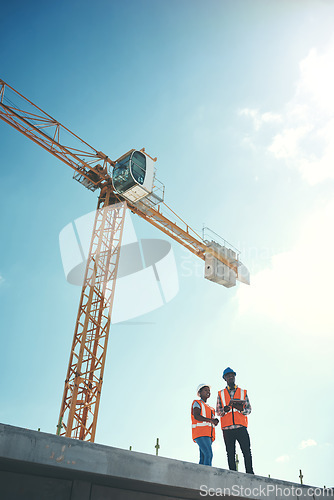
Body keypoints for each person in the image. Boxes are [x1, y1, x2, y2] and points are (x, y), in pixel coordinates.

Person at [216, 367, 254, 474]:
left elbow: (249, 409)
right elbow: (218, 412)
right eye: (228, 376)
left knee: (247, 451)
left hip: (241, 427)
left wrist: (241, 409)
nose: (230, 377)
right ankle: (233, 474)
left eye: (232, 375)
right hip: (227, 428)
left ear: (234, 377)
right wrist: (225, 410)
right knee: (230, 453)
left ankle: (250, 473)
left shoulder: (243, 392)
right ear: (225, 379)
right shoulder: (221, 394)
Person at [191, 383, 219, 466]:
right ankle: (207, 476)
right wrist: (210, 420)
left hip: (208, 435)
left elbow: (211, 421)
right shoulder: (197, 403)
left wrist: (215, 421)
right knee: (208, 454)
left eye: (209, 390)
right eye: (205, 390)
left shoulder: (211, 408)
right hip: (201, 433)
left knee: (203, 457)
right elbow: (196, 416)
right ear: (199, 393)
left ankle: (199, 476)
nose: (208, 392)